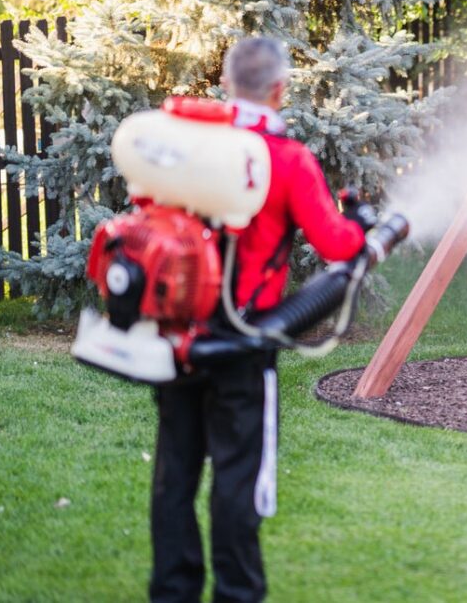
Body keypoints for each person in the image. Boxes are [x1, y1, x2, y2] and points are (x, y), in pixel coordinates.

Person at [149, 37, 366, 603]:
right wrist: (361, 223)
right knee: (237, 480)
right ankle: (237, 595)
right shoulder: (286, 157)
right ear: (280, 89)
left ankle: (172, 592)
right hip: (245, 343)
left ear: (224, 84)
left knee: (175, 475)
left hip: (179, 337)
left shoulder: (187, 144)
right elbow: (337, 244)